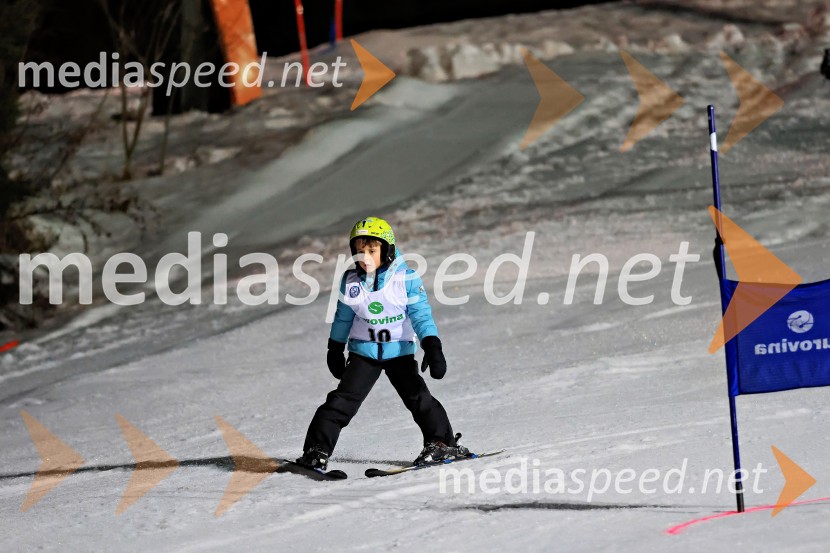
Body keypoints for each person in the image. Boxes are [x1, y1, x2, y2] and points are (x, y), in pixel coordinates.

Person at [295, 217, 468, 471]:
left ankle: (441, 442)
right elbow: (343, 316)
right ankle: (316, 450)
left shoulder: (405, 278)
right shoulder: (351, 281)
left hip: (398, 352)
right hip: (363, 353)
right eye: (359, 251)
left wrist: (432, 345)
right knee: (341, 402)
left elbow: (421, 315)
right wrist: (334, 347)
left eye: (372, 251)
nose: (365, 257)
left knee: (419, 399)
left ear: (386, 250)